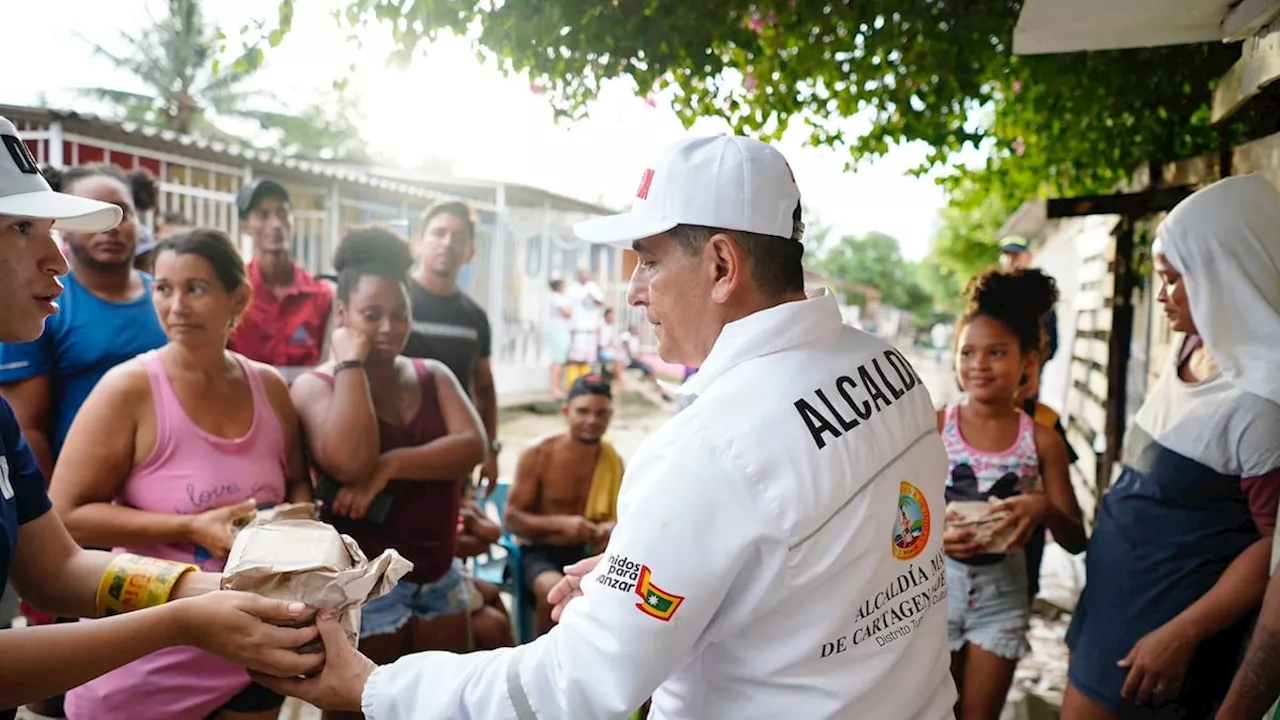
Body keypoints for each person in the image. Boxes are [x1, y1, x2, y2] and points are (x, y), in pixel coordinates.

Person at [256, 134, 957, 719]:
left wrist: (372, 687)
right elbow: (838, 556)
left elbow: (572, 686)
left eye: (649, 260)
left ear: (720, 264)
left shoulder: (711, 447)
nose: (633, 290)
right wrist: (655, 574)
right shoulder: (886, 367)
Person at [0, 115, 321, 716]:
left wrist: (214, 590)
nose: (58, 261)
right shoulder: (130, 385)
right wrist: (179, 619)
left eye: (51, 230)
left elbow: (58, 568)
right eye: (22, 227)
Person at [50, 228, 314, 720]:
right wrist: (189, 527)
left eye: (195, 288)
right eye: (164, 288)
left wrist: (294, 521)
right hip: (148, 644)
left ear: (238, 297)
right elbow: (66, 515)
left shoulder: (270, 387)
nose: (176, 306)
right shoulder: (128, 388)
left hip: (254, 645)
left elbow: (298, 480)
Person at [1061, 174, 1280, 720]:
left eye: (1172, 279)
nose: (1160, 295)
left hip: (1155, 642)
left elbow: (1272, 550)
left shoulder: (1263, 401)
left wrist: (1184, 632)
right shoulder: (1194, 345)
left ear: (1222, 279)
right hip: (1110, 608)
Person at [289, 226, 488, 720]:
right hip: (364, 593)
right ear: (342, 316)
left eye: (400, 315)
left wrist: (391, 467)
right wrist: (350, 362)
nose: (389, 328)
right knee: (361, 711)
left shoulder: (433, 374)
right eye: (371, 315)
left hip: (438, 577)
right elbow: (351, 462)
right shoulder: (315, 388)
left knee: (445, 706)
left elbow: (471, 446)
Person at [940, 268, 1086, 720]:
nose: (979, 364)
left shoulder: (1044, 440)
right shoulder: (932, 425)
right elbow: (895, 512)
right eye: (968, 352)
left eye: (997, 353)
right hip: (933, 593)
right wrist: (931, 536)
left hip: (1003, 601)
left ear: (1028, 361)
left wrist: (1043, 507)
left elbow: (1076, 539)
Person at [504, 373, 623, 636]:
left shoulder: (613, 461)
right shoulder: (538, 454)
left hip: (589, 551)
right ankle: (540, 667)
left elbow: (625, 518)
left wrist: (608, 527)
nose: (592, 420)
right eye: (583, 411)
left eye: (601, 413)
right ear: (566, 411)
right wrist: (561, 525)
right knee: (555, 593)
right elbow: (511, 519)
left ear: (610, 416)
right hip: (538, 553)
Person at [401, 201, 501, 497]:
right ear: (418, 243)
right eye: (439, 233)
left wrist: (491, 448)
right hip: (394, 450)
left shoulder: (474, 318)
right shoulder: (394, 302)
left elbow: (484, 387)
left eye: (458, 237)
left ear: (471, 252)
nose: (447, 243)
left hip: (454, 456)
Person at [227, 179, 334, 384]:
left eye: (282, 213)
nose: (275, 224)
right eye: (262, 215)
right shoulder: (233, 293)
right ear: (244, 227)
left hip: (307, 411)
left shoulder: (321, 296)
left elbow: (327, 369)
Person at [546, 278, 573, 398]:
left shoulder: (557, 298)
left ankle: (556, 387)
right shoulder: (556, 297)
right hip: (558, 330)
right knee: (558, 360)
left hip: (561, 329)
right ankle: (555, 388)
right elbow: (568, 313)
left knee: (559, 360)